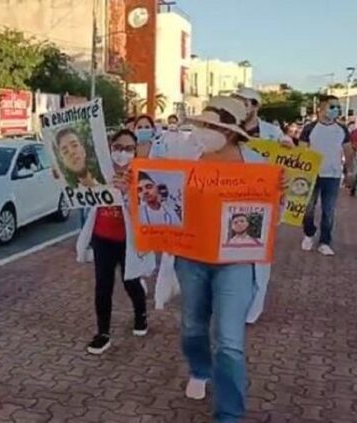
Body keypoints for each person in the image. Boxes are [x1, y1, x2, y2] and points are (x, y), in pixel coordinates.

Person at [122, 96, 284, 422]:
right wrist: (130, 183)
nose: (204, 131)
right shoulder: (185, 157)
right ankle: (199, 368)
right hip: (191, 258)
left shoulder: (258, 165)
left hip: (236, 264)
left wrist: (277, 197)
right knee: (193, 327)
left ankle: (229, 414)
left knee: (230, 342)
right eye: (203, 125)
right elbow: (152, 191)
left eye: (212, 127)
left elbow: (270, 219)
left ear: (231, 132)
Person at [76, 129, 155, 355]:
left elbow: (149, 208)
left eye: (129, 148)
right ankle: (103, 333)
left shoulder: (142, 175)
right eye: (118, 147)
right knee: (103, 286)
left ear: (136, 150)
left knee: (130, 281)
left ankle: (140, 314)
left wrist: (128, 193)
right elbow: (80, 189)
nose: (122, 153)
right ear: (111, 148)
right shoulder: (101, 171)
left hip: (128, 241)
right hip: (102, 237)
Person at [299, 95, 355, 255]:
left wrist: (349, 171)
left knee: (328, 210)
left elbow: (348, 151)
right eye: (332, 106)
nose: (336, 110)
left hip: (333, 175)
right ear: (321, 108)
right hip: (311, 175)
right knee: (308, 208)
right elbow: (301, 150)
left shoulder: (342, 129)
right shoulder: (309, 128)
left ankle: (325, 241)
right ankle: (309, 233)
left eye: (337, 107)